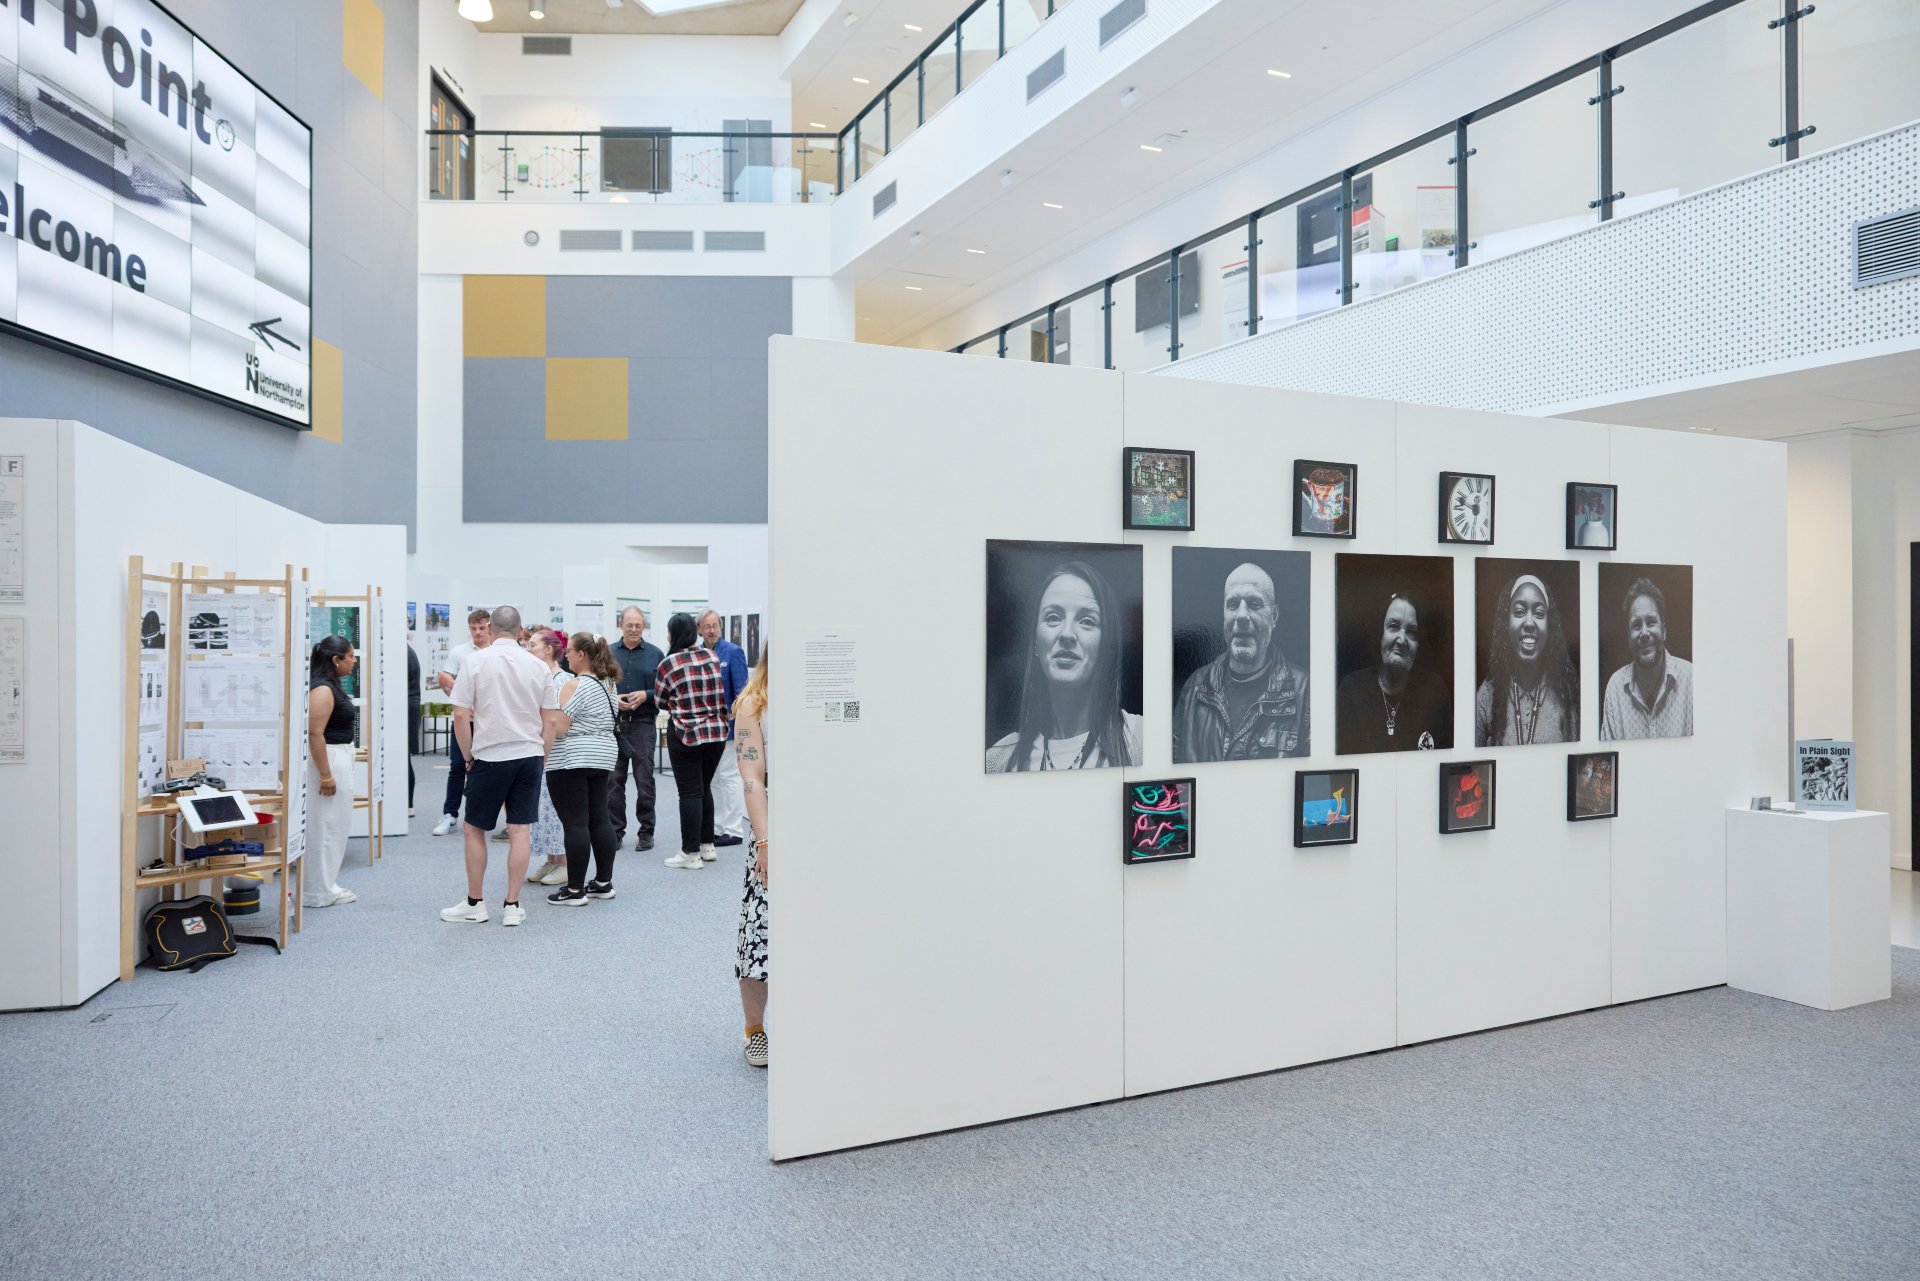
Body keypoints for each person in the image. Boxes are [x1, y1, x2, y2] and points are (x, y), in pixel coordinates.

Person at [441, 606, 557, 927]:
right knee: (521, 830)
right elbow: (550, 719)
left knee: (473, 828)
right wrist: (542, 755)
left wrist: (467, 755)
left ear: (489, 629)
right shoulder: (538, 666)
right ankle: (512, 905)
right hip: (529, 755)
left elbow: (461, 715)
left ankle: (476, 903)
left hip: (489, 756)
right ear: (522, 632)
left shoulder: (474, 662)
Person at [986, 560, 1142, 771]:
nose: (1067, 634)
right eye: (1053, 617)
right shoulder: (998, 761)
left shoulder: (1142, 741)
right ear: (1035, 643)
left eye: (1087, 621)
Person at [1171, 561, 1308, 762]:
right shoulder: (1195, 689)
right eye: (1233, 604)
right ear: (1224, 614)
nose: (1241, 615)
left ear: (1275, 616)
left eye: (1254, 604)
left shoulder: (1305, 692)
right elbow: (1172, 775)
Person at [542, 632, 623, 905]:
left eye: (571, 650)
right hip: (603, 757)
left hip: (571, 759)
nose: (566, 654)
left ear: (582, 655)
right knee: (599, 818)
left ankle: (575, 889)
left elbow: (560, 727)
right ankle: (603, 882)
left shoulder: (575, 684)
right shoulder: (609, 684)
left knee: (575, 823)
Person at [655, 612, 730, 870]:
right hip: (716, 734)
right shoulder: (711, 656)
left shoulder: (669, 663)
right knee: (704, 787)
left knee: (689, 792)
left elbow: (659, 700)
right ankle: (707, 845)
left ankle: (690, 853)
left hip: (686, 734)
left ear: (674, 634)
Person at [1334, 592, 1450, 753]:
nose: (1402, 639)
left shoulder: (1434, 692)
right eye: (1394, 627)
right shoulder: (1352, 690)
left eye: (1411, 632)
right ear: (1380, 635)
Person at [1475, 573, 1578, 746]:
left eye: (1538, 613)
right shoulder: (1487, 695)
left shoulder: (1566, 694)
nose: (1529, 622)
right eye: (1519, 612)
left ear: (1549, 625)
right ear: (1506, 623)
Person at [733, 644, 771, 1068]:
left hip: (826, 828)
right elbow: (752, 780)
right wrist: (764, 842)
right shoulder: (753, 705)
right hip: (772, 826)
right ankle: (754, 1030)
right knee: (759, 932)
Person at [1600, 576, 1694, 740]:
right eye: (1636, 625)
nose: (1644, 633)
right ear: (1628, 637)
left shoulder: (1691, 679)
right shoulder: (1615, 688)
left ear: (1664, 630)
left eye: (1651, 622)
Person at [304, 635, 359, 910]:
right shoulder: (323, 690)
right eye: (350, 656)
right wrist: (326, 775)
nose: (354, 660)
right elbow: (315, 733)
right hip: (329, 759)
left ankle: (325, 885)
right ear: (336, 660)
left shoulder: (330, 686)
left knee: (335, 827)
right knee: (325, 827)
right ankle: (317, 892)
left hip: (338, 755)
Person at [608, 607, 664, 853]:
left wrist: (646, 695)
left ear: (644, 627)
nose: (633, 629)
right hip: (615, 725)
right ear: (621, 625)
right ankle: (615, 831)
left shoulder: (655, 654)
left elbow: (665, 691)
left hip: (643, 725)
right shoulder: (608, 653)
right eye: (629, 625)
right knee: (614, 781)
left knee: (644, 780)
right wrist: (613, 698)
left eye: (638, 625)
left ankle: (646, 832)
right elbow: (598, 684)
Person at [432, 609, 493, 836]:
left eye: (481, 628)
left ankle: (486, 817)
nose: (477, 632)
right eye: (473, 628)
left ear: (489, 627)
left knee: (489, 768)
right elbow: (445, 682)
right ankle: (450, 814)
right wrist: (463, 701)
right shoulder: (459, 652)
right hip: (463, 721)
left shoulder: (496, 652)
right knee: (457, 766)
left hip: (489, 724)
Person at [521, 628, 572, 887]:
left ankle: (563, 862)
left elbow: (559, 720)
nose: (528, 650)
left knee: (557, 807)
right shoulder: (540, 677)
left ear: (549, 649)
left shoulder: (562, 680)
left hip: (558, 752)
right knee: (545, 809)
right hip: (541, 749)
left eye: (532, 645)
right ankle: (552, 859)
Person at [698, 609, 750, 853]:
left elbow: (742, 691)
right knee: (715, 779)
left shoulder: (732, 652)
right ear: (699, 629)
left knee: (729, 777)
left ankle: (733, 829)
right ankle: (718, 827)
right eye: (707, 626)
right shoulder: (698, 653)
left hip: (728, 728)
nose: (711, 629)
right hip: (708, 729)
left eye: (715, 625)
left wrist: (739, 722)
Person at [406, 640, 421, 818]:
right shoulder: (407, 650)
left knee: (403, 759)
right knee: (404, 759)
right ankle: (407, 803)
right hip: (409, 707)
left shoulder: (405, 653)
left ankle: (408, 803)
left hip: (407, 708)